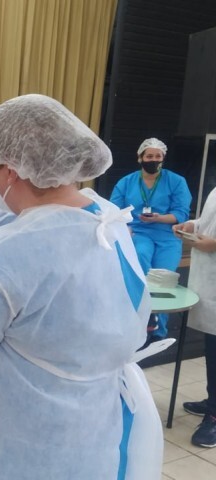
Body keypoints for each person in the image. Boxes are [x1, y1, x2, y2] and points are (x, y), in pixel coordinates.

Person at [0, 94, 161, 479]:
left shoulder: (5, 258)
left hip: (25, 450)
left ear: (10, 172)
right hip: (97, 434)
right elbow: (47, 233)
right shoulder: (106, 219)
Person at [110, 138, 191, 340]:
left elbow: (181, 213)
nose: (153, 160)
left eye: (157, 156)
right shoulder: (126, 182)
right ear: (140, 158)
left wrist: (159, 218)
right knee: (140, 262)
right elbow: (114, 210)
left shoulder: (176, 181)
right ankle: (138, 323)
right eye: (149, 156)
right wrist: (124, 228)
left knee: (163, 280)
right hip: (138, 232)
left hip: (166, 234)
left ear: (163, 158)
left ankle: (159, 331)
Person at [175, 187, 216, 448]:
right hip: (209, 279)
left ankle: (214, 415)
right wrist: (191, 224)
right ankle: (212, 401)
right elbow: (207, 221)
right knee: (211, 349)